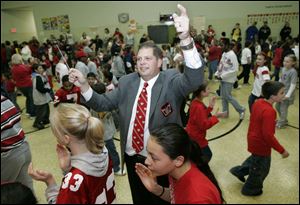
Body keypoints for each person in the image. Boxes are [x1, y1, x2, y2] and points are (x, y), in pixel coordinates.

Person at [68, 4, 205, 204]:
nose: (141, 62)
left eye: (147, 58)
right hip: (132, 157)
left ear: (160, 62)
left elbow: (194, 80)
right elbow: (103, 104)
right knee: (140, 199)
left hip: (162, 159)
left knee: (163, 198)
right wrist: (83, 85)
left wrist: (185, 39)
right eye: (139, 58)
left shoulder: (170, 80)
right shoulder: (126, 82)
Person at [28, 103, 116, 204]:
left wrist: (50, 182)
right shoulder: (103, 151)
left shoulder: (73, 181)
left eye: (55, 133)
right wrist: (68, 170)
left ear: (66, 139)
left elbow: (77, 189)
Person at [135, 123, 224, 204]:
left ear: (178, 161)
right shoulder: (176, 172)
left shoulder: (198, 198)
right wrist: (155, 188)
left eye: (154, 158)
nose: (146, 161)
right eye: (148, 153)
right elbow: (176, 197)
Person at [230, 81, 289, 196]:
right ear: (272, 96)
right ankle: (250, 189)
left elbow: (258, 119)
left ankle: (238, 171)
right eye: (282, 93)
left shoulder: (259, 102)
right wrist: (282, 150)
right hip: (261, 144)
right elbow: (268, 136)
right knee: (261, 169)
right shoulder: (270, 111)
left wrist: (270, 122)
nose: (284, 95)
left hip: (253, 138)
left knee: (256, 160)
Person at [1, 90, 34, 193]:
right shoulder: (3, 98)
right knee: (26, 191)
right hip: (23, 146)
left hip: (7, 156)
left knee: (7, 194)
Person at [185, 81, 226, 163]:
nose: (210, 90)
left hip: (193, 133)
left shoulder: (195, 101)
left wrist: (210, 107)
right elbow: (204, 125)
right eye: (208, 89)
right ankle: (200, 168)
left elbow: (200, 117)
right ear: (202, 92)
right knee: (207, 154)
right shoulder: (198, 106)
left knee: (196, 154)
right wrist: (215, 117)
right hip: (197, 136)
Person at [215, 39, 246, 119]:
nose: (221, 47)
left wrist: (222, 76)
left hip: (228, 80)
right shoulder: (224, 53)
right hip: (223, 79)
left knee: (227, 96)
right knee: (223, 96)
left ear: (228, 45)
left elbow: (235, 70)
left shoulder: (232, 55)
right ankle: (225, 113)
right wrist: (217, 73)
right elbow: (221, 65)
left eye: (222, 45)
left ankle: (241, 109)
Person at [275, 54, 298, 128]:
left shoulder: (293, 72)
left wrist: (288, 95)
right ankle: (283, 119)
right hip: (281, 92)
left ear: (293, 63)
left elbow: (293, 84)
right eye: (284, 61)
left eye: (287, 62)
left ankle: (282, 122)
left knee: (283, 108)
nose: (285, 63)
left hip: (287, 94)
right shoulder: (283, 69)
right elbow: (281, 79)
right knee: (277, 106)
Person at [32, 64, 52, 130]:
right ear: (36, 70)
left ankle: (45, 119)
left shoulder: (39, 76)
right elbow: (40, 88)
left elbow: (42, 84)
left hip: (42, 97)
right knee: (41, 110)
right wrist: (47, 90)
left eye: (41, 68)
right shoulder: (37, 77)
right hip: (40, 97)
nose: (42, 69)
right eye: (40, 68)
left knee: (46, 108)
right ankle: (36, 123)